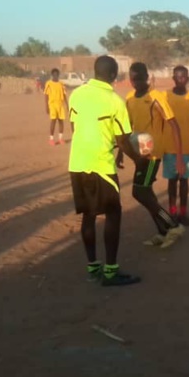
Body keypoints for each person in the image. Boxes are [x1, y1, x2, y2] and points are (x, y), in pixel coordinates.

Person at [68, 55, 144, 286]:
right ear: (113, 75)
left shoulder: (77, 94)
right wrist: (139, 160)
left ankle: (93, 268)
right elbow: (123, 141)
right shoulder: (115, 101)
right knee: (113, 213)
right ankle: (111, 272)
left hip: (77, 163)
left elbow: (75, 126)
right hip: (100, 165)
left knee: (89, 215)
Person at [122, 62, 186, 249]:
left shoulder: (156, 97)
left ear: (147, 77)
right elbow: (127, 128)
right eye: (133, 78)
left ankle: (174, 225)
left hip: (152, 154)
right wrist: (121, 153)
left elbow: (174, 125)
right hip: (138, 153)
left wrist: (180, 157)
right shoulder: (129, 98)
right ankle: (162, 231)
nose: (136, 82)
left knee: (139, 192)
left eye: (139, 78)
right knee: (147, 194)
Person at [164, 66, 189, 226]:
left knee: (184, 181)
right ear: (173, 78)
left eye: (184, 77)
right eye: (178, 77)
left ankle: (183, 213)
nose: (181, 80)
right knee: (172, 181)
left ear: (188, 78)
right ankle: (173, 213)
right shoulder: (165, 96)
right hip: (169, 146)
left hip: (187, 145)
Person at [44, 68, 68, 146]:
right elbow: (46, 95)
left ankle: (60, 138)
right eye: (54, 74)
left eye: (57, 74)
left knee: (61, 121)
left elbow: (64, 94)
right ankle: (51, 139)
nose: (55, 76)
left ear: (58, 75)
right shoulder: (49, 83)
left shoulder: (61, 84)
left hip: (60, 104)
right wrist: (47, 106)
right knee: (53, 121)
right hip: (52, 104)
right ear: (52, 75)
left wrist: (67, 105)